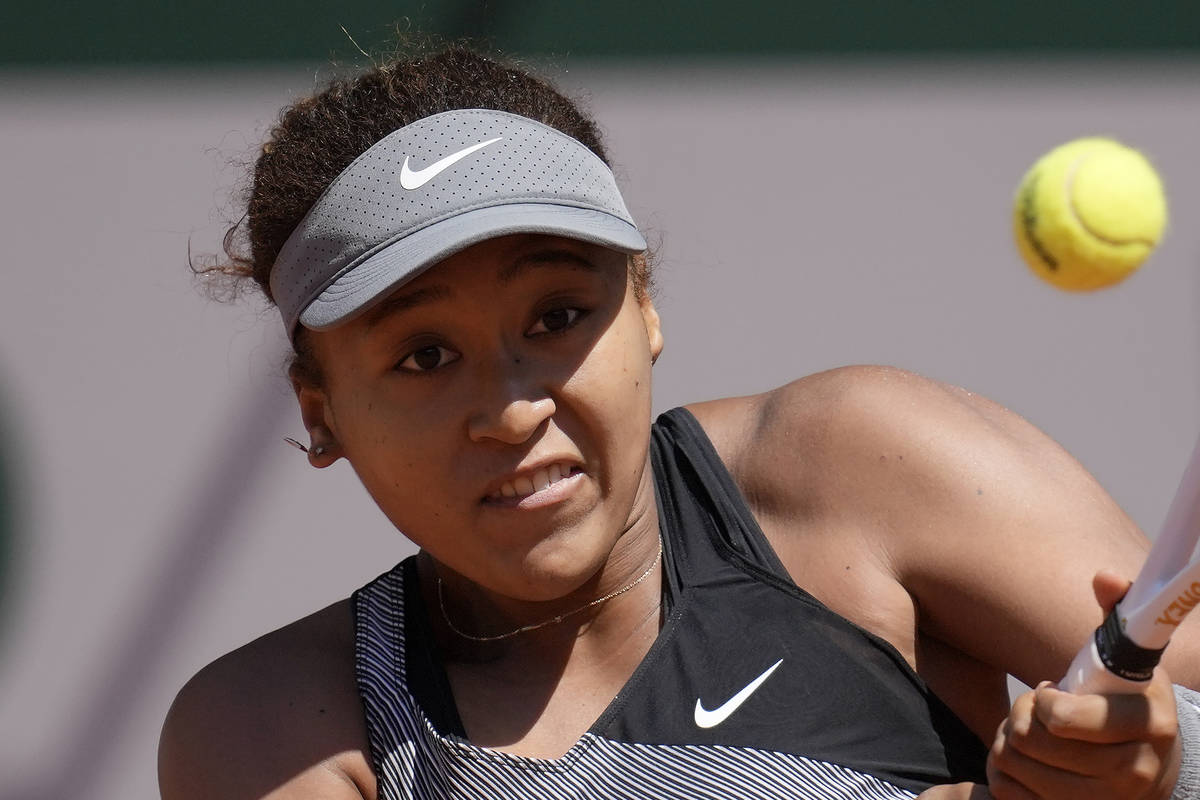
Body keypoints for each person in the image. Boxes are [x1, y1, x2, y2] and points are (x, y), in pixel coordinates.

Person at [159, 44, 1200, 799]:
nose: (514, 407)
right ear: (322, 411)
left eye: (559, 315)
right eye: (425, 355)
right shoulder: (274, 729)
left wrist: (1173, 762)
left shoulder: (858, 465)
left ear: (647, 307)